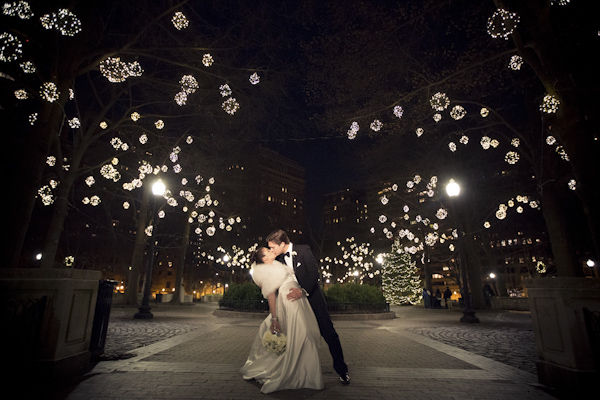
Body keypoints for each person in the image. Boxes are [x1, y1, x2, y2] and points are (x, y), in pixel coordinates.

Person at [267, 229, 350, 385]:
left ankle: (342, 370)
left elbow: (314, 274)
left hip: (313, 300)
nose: (272, 250)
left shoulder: (303, 250)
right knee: (298, 337)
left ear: (282, 244)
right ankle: (301, 372)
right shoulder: (278, 260)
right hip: (295, 306)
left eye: (273, 247)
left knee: (329, 334)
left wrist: (302, 291)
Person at [240, 247, 324, 394]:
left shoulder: (277, 263)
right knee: (302, 333)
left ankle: (304, 371)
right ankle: (299, 374)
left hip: (298, 298)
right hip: (288, 300)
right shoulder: (265, 272)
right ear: (265, 259)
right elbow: (271, 295)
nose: (272, 250)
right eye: (268, 251)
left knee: (307, 333)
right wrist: (274, 319)